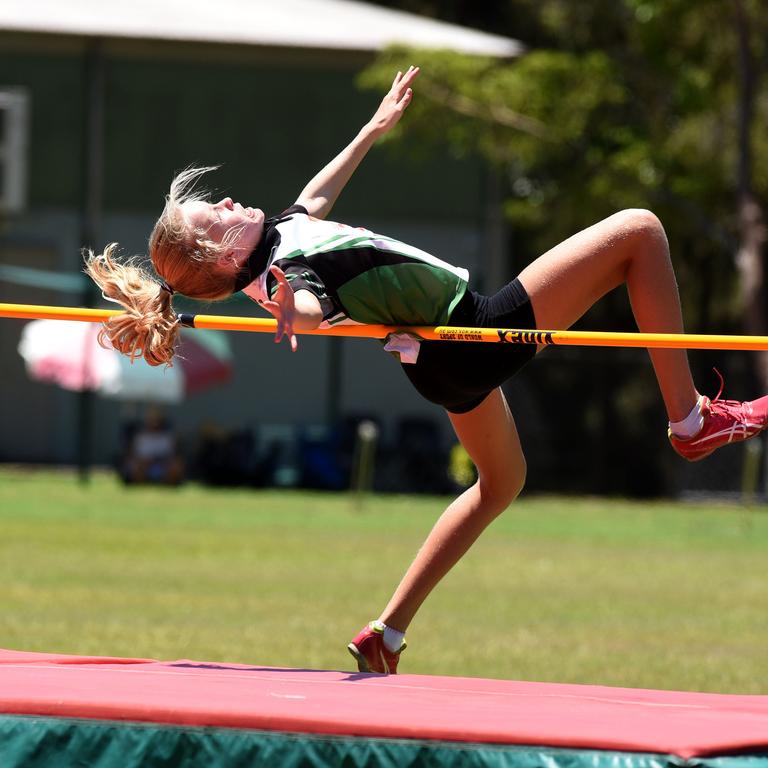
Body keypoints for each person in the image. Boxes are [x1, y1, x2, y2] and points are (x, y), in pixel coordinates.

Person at [84, 66, 768, 675]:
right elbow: (312, 302)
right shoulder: (284, 271)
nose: (233, 204)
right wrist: (292, 310)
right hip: (470, 333)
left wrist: (371, 131)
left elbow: (314, 199)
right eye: (221, 214)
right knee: (638, 231)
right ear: (222, 260)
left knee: (501, 484)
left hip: (440, 364)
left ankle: (388, 630)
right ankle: (691, 421)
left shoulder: (279, 236)